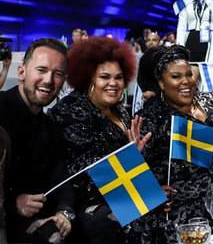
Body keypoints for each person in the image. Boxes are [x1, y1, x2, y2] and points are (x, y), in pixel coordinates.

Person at [125, 45, 213, 243]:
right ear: (161, 83)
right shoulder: (151, 119)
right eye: (176, 76)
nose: (186, 81)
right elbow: (133, 178)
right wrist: (154, 190)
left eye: (189, 74)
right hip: (183, 212)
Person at [48, 36, 151, 243]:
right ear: (88, 77)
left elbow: (130, 164)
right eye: (104, 77)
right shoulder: (72, 110)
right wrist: (132, 161)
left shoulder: (121, 111)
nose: (113, 83)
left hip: (122, 193)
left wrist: (150, 188)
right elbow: (82, 174)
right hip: (86, 203)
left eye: (119, 77)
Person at [0, 38, 74, 243]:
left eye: (57, 74)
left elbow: (61, 179)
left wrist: (64, 213)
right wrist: (13, 204)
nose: (49, 80)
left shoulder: (52, 129)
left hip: (30, 223)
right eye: (41, 70)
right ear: (22, 72)